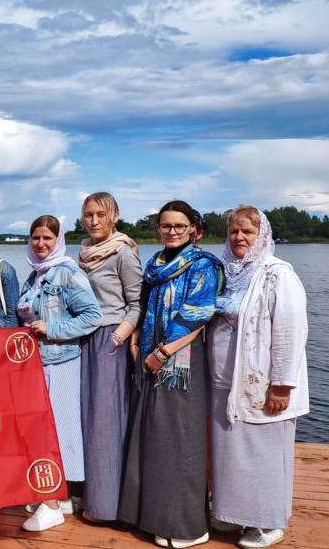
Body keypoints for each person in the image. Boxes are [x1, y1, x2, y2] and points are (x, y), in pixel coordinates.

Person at [119, 200, 223, 549]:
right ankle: (153, 515)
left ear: (194, 228)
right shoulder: (156, 264)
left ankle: (187, 525)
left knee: (179, 439)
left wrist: (163, 352)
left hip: (180, 360)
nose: (173, 231)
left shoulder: (203, 265)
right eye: (167, 226)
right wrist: (137, 340)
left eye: (180, 226)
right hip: (150, 353)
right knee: (154, 436)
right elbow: (147, 305)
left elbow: (197, 316)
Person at [207, 206, 309, 549]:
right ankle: (231, 513)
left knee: (262, 452)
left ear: (261, 235)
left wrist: (282, 384)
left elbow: (290, 331)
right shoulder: (227, 272)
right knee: (229, 451)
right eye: (234, 231)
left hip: (262, 384)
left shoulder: (277, 275)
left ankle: (266, 522)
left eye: (247, 232)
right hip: (224, 382)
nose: (239, 238)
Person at [16, 215, 101, 532]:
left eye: (47, 239)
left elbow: (92, 315)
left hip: (61, 361)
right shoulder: (36, 275)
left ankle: (51, 504)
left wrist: (52, 328)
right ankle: (59, 497)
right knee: (43, 430)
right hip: (38, 364)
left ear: (58, 241)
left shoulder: (66, 272)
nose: (40, 244)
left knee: (59, 432)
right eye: (36, 238)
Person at [77, 192, 142, 523]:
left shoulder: (122, 253)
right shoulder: (85, 253)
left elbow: (137, 303)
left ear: (114, 216)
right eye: (88, 214)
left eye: (101, 214)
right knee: (86, 418)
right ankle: (88, 493)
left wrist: (119, 336)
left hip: (109, 339)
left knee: (105, 421)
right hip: (85, 339)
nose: (94, 220)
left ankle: (106, 506)